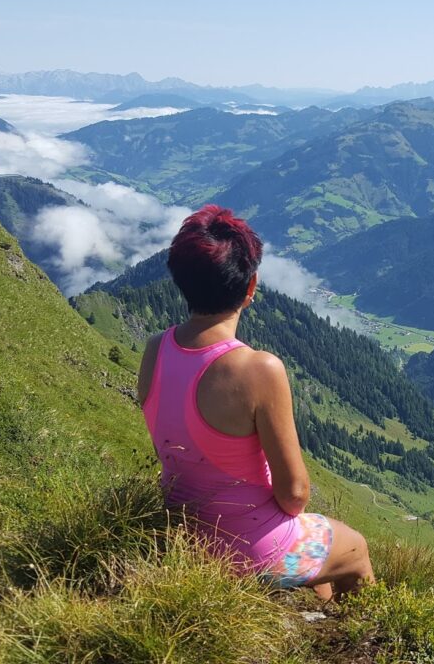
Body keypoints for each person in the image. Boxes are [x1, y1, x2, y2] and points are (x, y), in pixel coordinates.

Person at [137, 204, 374, 601]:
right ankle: (356, 638)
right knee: (355, 548)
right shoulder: (258, 368)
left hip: (179, 533)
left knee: (319, 556)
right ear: (251, 288)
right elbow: (294, 494)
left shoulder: (156, 348)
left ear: (180, 282)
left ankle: (316, 618)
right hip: (246, 553)